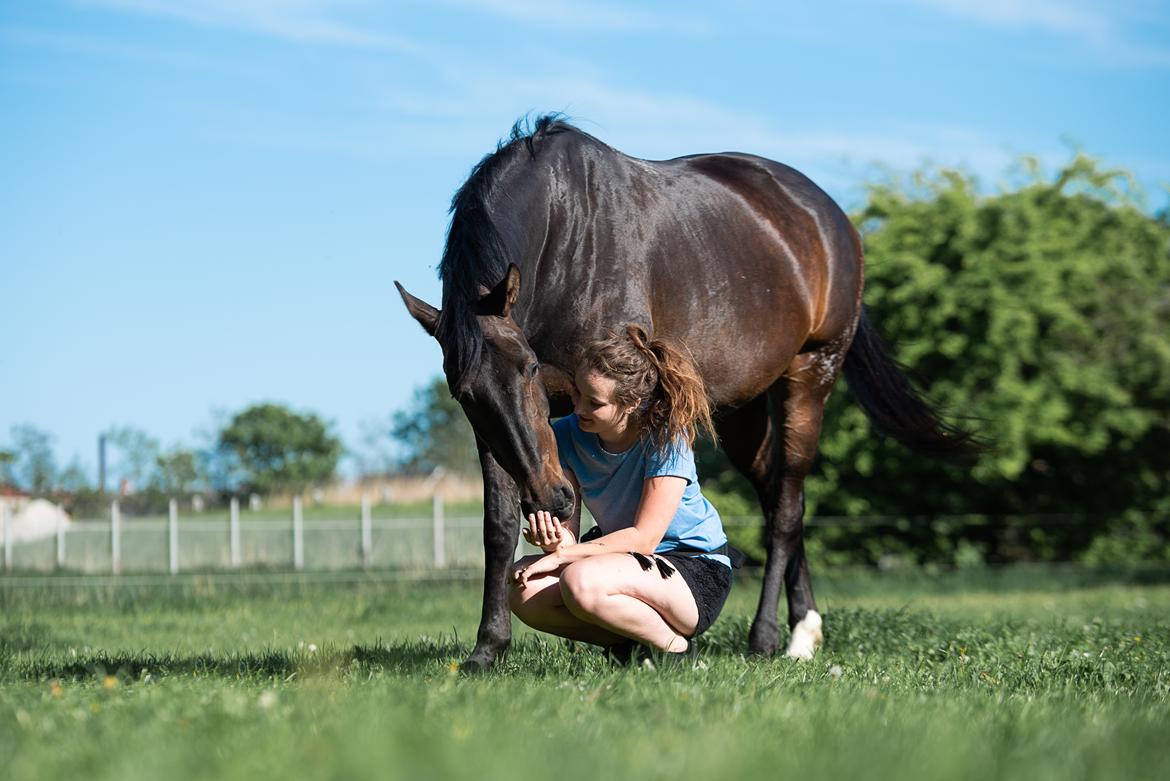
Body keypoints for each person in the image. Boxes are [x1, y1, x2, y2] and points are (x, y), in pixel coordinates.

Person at [508, 324, 733, 662]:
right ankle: (633, 649)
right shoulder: (565, 434)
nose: (578, 408)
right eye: (577, 393)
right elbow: (568, 542)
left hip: (691, 566)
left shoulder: (666, 436)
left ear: (631, 404)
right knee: (524, 592)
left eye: (594, 402)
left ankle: (676, 651)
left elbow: (644, 539)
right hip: (620, 562)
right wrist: (554, 543)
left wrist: (561, 558)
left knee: (580, 581)